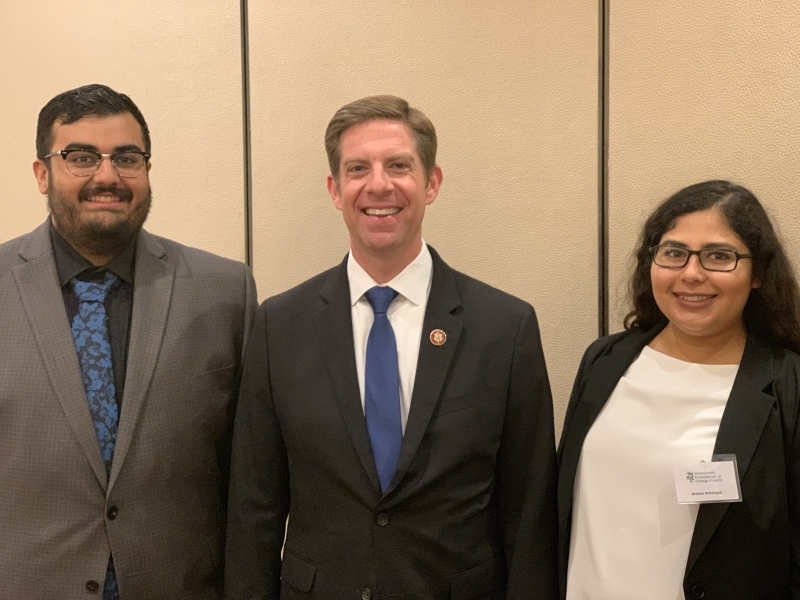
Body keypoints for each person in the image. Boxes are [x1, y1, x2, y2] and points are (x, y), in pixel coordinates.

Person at [225, 95, 558, 599]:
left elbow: (529, 511)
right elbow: (255, 506)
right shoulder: (280, 325)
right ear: (335, 189)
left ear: (432, 183)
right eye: (358, 168)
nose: (378, 185)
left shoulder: (504, 328)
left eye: (398, 166)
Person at [0, 84, 257, 599]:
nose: (107, 176)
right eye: (80, 157)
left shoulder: (225, 290)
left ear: (147, 169)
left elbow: (251, 473)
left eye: (126, 157)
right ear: (42, 174)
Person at [557, 180, 800, 599]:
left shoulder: (788, 386)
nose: (691, 273)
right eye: (673, 253)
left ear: (758, 272)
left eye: (718, 256)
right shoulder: (605, 361)